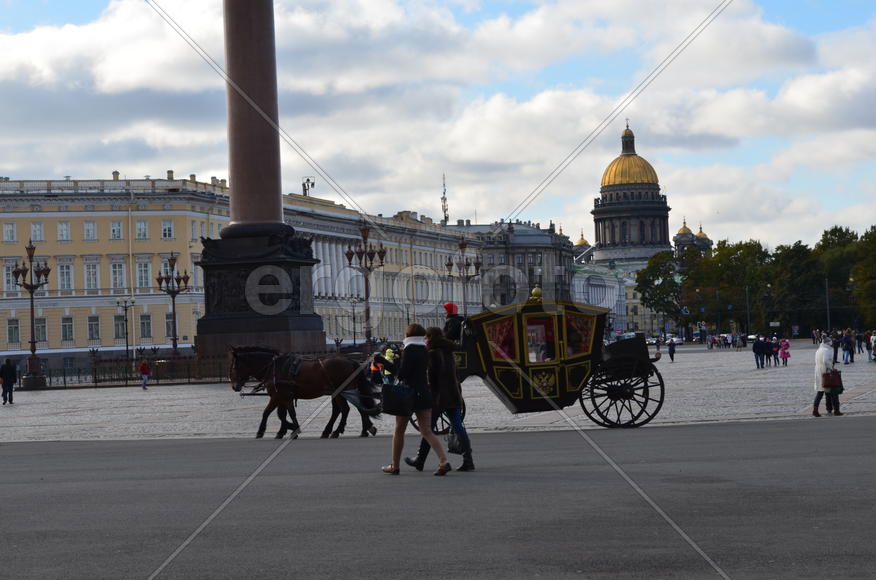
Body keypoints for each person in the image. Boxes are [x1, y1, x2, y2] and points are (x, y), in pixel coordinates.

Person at [374, 323, 451, 476]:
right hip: (423, 393)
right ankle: (444, 461)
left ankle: (395, 466)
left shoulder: (409, 350)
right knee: (427, 431)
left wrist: (383, 361)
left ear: (408, 335)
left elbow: (402, 374)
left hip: (407, 395)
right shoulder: (424, 349)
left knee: (399, 430)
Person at [405, 327, 474, 472]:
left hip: (438, 397)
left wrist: (430, 393)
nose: (424, 340)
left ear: (430, 337)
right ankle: (468, 459)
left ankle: (420, 459)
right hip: (453, 393)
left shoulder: (433, 353)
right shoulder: (449, 351)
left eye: (426, 337)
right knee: (457, 425)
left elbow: (433, 378)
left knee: (427, 429)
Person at [813, 335, 841, 417]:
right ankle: (836, 410)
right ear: (828, 343)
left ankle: (817, 409)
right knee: (833, 391)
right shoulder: (826, 350)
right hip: (826, 371)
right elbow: (826, 361)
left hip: (818, 371)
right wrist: (831, 368)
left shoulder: (818, 350)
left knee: (821, 391)